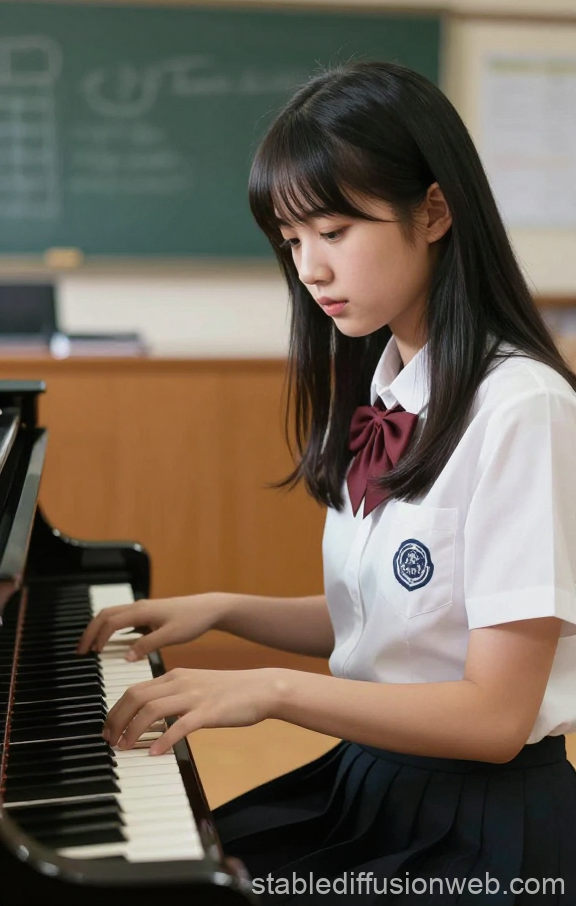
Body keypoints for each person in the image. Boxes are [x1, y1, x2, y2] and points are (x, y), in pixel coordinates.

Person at [77, 61, 576, 903]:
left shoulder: (523, 407)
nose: (309, 269)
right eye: (291, 239)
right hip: (374, 781)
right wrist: (224, 609)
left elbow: (493, 720)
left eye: (334, 231)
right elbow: (402, 624)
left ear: (435, 211)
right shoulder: (386, 386)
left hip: (476, 826)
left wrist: (270, 690)